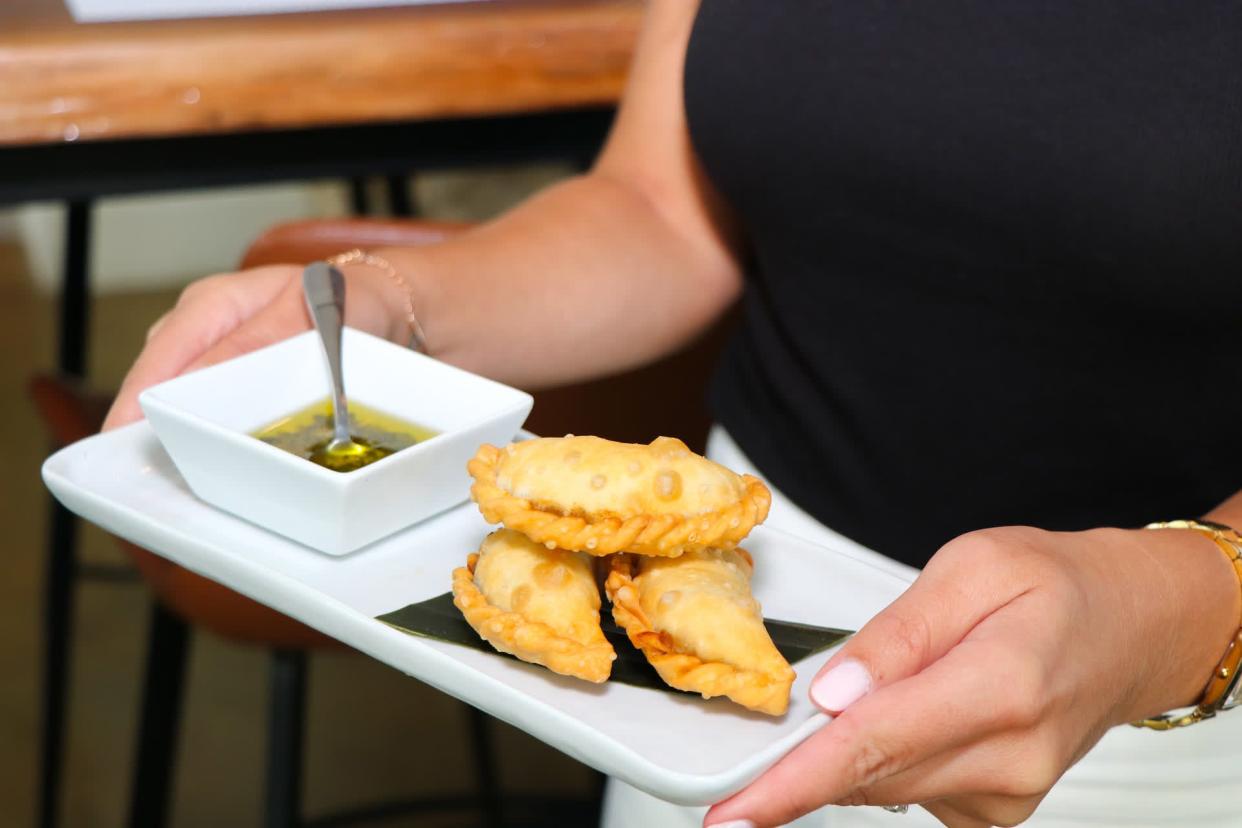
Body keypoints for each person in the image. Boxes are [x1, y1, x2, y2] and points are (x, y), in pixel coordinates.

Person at [105, 2, 1242, 826]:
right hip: (723, 664)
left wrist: (1186, 606)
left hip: (1157, 707)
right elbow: (663, 204)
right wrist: (389, 308)